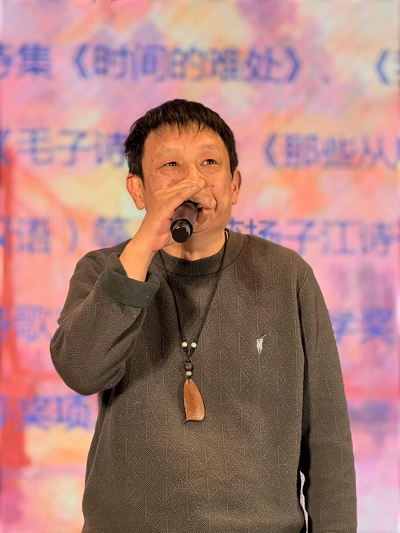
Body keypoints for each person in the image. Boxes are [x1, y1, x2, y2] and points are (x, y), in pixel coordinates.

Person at [50, 99, 357, 533]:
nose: (192, 181)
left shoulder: (286, 275)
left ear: (235, 184)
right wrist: (144, 246)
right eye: (171, 165)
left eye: (209, 162)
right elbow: (81, 370)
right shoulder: (105, 270)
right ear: (137, 190)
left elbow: (328, 441)